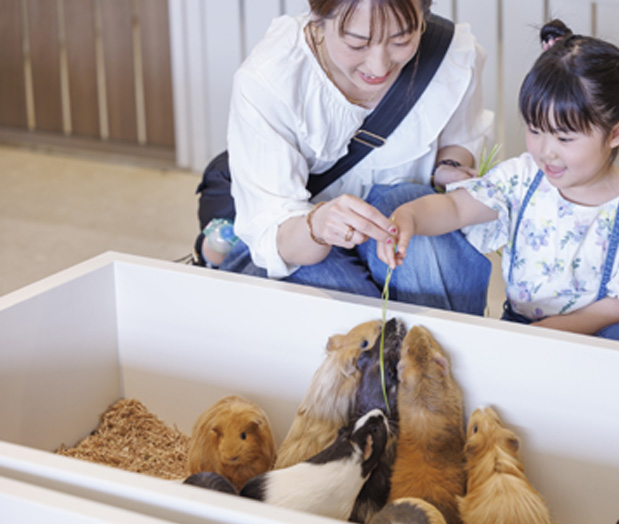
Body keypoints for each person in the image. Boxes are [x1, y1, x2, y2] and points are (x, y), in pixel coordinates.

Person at [377, 19, 619, 347]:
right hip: (524, 325)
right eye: (535, 130)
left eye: (565, 138)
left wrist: (555, 329)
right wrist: (410, 215)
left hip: (603, 330)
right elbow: (456, 207)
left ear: (617, 133)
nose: (545, 151)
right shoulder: (522, 178)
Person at [193, 0, 494, 316]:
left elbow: (459, 139)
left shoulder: (450, 55)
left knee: (423, 242)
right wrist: (318, 225)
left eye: (401, 40)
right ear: (319, 16)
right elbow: (276, 237)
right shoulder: (272, 78)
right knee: (345, 319)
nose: (378, 66)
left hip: (399, 213)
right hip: (298, 237)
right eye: (356, 43)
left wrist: (449, 168)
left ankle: (444, 352)